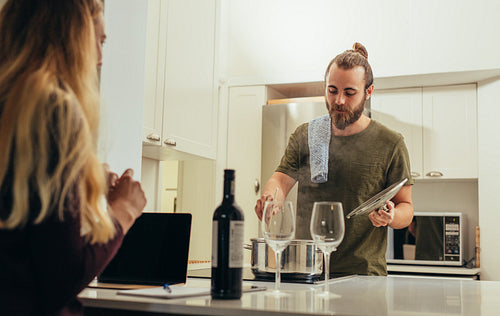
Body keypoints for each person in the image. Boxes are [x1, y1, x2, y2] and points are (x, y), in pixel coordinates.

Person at [0, 0, 147, 315]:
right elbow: (61, 278)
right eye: (99, 40)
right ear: (71, 38)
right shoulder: (55, 111)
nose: (100, 58)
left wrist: (81, 192)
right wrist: (124, 210)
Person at [255, 43, 414, 276]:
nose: (339, 100)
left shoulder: (390, 142)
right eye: (332, 90)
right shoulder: (306, 135)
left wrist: (391, 216)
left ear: (368, 92)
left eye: (349, 93)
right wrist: (272, 200)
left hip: (364, 277)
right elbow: (280, 181)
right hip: (307, 270)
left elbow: (406, 208)